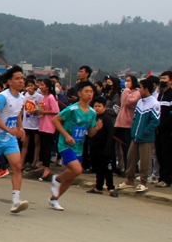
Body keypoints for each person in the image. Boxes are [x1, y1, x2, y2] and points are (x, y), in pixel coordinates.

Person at [0, 66, 30, 214]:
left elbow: (17, 114)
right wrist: (10, 130)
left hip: (10, 139)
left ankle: (16, 200)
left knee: (16, 166)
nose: (21, 81)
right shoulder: (3, 97)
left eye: (22, 78)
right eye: (17, 78)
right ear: (9, 81)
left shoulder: (22, 98)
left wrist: (20, 127)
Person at [49, 81, 97, 211]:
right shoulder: (72, 109)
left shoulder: (92, 112)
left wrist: (97, 127)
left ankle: (54, 199)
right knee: (77, 170)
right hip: (65, 144)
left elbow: (91, 133)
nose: (89, 94)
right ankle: (57, 179)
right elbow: (55, 120)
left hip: (78, 146)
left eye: (91, 92)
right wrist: (66, 135)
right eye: (87, 91)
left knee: (72, 176)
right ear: (80, 93)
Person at [117, 78, 161, 193]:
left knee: (145, 161)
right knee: (131, 158)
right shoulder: (140, 102)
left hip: (146, 138)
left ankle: (143, 182)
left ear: (146, 89)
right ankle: (129, 180)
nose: (139, 90)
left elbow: (155, 121)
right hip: (135, 136)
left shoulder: (154, 103)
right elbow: (136, 117)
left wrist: (145, 132)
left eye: (140, 88)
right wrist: (134, 132)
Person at [88, 96, 117, 196]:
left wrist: (108, 150)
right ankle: (98, 187)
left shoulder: (107, 119)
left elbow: (110, 135)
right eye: (95, 106)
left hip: (105, 149)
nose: (97, 108)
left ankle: (111, 188)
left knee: (107, 169)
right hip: (95, 148)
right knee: (98, 169)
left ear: (104, 107)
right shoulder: (93, 118)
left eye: (99, 106)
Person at [114, 75, 140, 175]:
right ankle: (126, 167)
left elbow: (128, 102)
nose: (126, 83)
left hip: (129, 124)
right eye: (126, 81)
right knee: (123, 149)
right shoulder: (127, 92)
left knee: (128, 148)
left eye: (129, 81)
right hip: (121, 123)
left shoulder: (136, 92)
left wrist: (126, 90)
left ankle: (130, 169)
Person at [36, 79, 60, 181]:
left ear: (48, 87)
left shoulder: (51, 97)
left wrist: (44, 111)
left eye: (42, 85)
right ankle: (45, 164)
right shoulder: (43, 97)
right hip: (42, 124)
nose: (40, 87)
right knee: (43, 145)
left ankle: (47, 167)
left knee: (47, 147)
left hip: (49, 125)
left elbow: (56, 111)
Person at [154, 71, 172, 188]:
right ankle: (161, 177)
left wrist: (163, 125)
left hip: (168, 129)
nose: (162, 81)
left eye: (164, 78)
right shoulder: (160, 94)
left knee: (167, 154)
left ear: (170, 81)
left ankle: (167, 179)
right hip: (158, 129)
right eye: (161, 78)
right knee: (159, 154)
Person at [21, 78, 43, 171]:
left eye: (31, 85)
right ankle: (21, 163)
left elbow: (41, 110)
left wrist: (36, 110)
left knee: (37, 142)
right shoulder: (23, 96)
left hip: (36, 123)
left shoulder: (39, 96)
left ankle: (34, 163)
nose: (30, 87)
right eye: (28, 86)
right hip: (26, 123)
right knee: (25, 143)